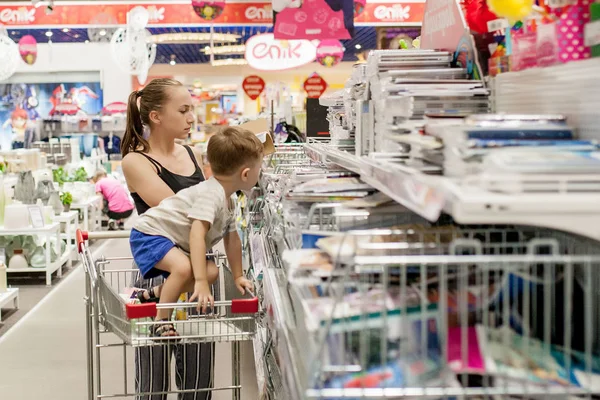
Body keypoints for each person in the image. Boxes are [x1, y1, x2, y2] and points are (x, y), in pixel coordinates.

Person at [121, 78, 212, 400]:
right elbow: (178, 213)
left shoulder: (192, 153)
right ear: (156, 116)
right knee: (152, 379)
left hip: (198, 273)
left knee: (199, 379)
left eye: (192, 110)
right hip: (157, 269)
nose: (191, 118)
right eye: (184, 110)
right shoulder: (135, 161)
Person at [130, 127, 259, 334]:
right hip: (149, 234)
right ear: (246, 174)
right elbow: (197, 234)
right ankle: (161, 320)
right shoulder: (211, 195)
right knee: (183, 269)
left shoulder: (230, 198)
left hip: (172, 240)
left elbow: (232, 239)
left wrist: (238, 276)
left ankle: (154, 294)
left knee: (211, 272)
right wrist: (199, 282)